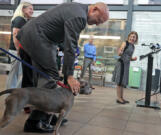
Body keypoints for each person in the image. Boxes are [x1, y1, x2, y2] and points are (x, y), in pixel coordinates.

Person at [16, 2, 109, 133]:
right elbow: (70, 46)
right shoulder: (79, 17)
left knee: (39, 79)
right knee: (50, 78)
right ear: (94, 9)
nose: (97, 24)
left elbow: (62, 36)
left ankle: (48, 114)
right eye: (99, 20)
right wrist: (69, 75)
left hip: (30, 35)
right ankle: (34, 121)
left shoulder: (75, 8)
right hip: (39, 38)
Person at [6, 2, 33, 89]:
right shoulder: (19, 19)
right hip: (16, 51)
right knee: (14, 74)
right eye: (30, 9)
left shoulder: (24, 20)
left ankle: (17, 93)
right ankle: (10, 94)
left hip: (21, 51)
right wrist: (18, 50)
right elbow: (15, 34)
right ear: (23, 9)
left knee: (21, 74)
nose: (32, 11)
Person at [112, 31, 138, 104]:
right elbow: (120, 52)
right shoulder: (125, 43)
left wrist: (133, 59)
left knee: (123, 82)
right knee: (119, 82)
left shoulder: (133, 46)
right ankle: (119, 98)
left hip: (126, 65)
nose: (132, 38)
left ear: (136, 39)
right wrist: (120, 52)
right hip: (121, 63)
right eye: (132, 36)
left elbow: (129, 57)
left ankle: (121, 98)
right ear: (129, 36)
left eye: (134, 37)